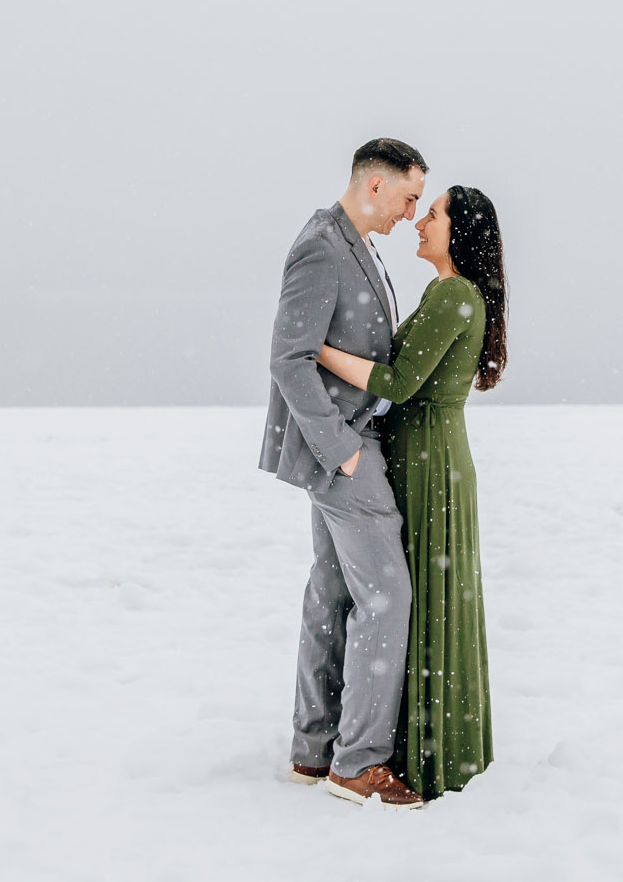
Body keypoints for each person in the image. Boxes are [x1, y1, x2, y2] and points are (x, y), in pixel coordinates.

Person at [316, 184, 506, 801]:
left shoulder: (454, 293)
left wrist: (316, 350)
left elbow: (397, 383)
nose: (420, 222)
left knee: (416, 592)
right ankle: (403, 740)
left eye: (433, 213)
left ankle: (417, 749)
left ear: (461, 231)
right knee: (416, 593)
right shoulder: (447, 291)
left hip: (430, 460)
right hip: (423, 453)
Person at [261, 138, 428, 809]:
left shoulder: (349, 240)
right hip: (342, 451)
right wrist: (342, 449)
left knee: (332, 595)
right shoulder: (321, 248)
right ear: (376, 185)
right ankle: (357, 764)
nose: (411, 213)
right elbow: (289, 358)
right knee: (387, 597)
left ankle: (313, 748)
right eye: (409, 197)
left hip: (346, 444)